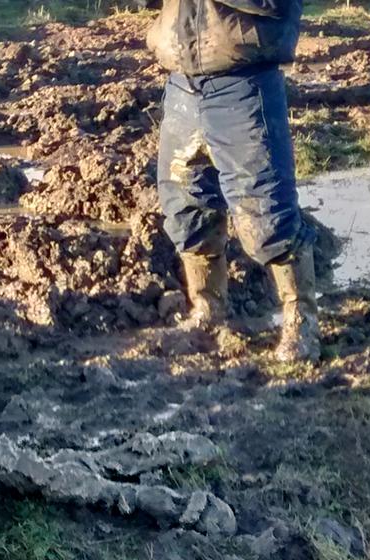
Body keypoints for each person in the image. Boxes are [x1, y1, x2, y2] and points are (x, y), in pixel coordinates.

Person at [148, 0, 320, 361]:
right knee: (185, 204)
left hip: (244, 79)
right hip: (183, 80)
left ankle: (300, 321)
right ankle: (208, 309)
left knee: (265, 209)